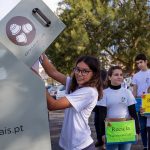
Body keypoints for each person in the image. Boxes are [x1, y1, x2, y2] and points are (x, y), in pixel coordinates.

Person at [40, 54, 103, 150]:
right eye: (77, 69)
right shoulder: (75, 84)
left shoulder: (89, 92)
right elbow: (52, 72)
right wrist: (39, 53)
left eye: (85, 71)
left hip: (81, 146)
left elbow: (53, 105)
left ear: (94, 74)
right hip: (69, 145)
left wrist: (37, 82)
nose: (79, 74)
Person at [97, 66, 140, 150]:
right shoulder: (104, 93)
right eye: (116, 74)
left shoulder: (127, 92)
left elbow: (133, 113)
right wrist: (102, 134)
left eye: (121, 74)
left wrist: (137, 130)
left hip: (126, 130)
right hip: (111, 131)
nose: (119, 77)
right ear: (109, 77)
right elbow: (101, 116)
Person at [132, 53, 150, 150]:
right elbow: (134, 90)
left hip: (149, 102)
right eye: (137, 63)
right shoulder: (135, 76)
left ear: (146, 62)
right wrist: (133, 104)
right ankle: (145, 146)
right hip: (140, 102)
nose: (139, 65)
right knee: (142, 127)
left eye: (141, 62)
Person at [94, 70, 107, 149]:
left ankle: (103, 141)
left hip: (104, 108)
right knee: (97, 123)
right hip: (97, 107)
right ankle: (100, 140)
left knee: (102, 123)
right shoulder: (96, 85)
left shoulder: (106, 85)